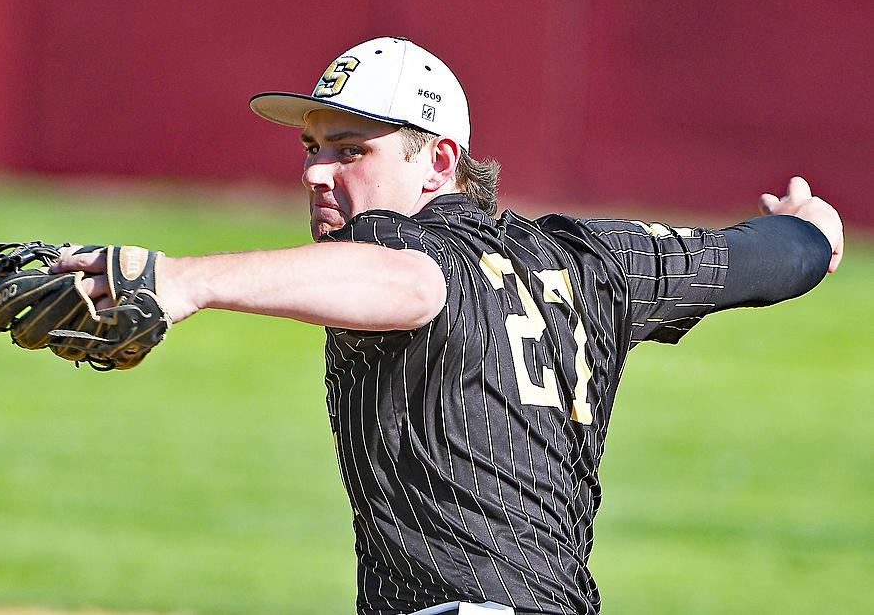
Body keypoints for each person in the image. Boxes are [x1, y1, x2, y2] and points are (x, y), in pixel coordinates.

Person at [53, 37, 844, 615]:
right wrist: (814, 230)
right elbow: (768, 255)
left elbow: (408, 282)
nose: (314, 172)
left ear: (438, 162)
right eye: (311, 146)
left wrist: (184, 281)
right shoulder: (597, 260)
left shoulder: (396, 247)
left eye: (350, 148)